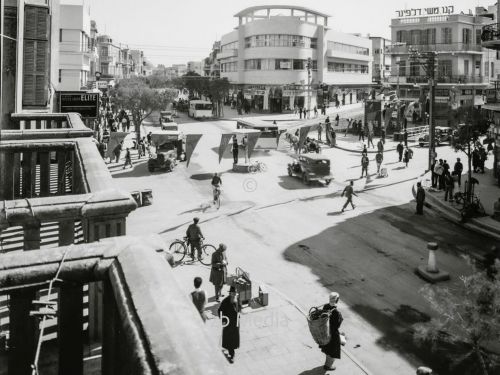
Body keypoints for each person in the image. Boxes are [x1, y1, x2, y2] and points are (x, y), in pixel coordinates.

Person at [318, 292, 343, 371]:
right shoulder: (336, 312)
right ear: (337, 300)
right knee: (332, 351)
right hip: (333, 334)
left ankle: (327, 364)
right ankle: (328, 366)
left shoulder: (325, 306)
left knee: (327, 350)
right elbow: (337, 325)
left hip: (325, 332)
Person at [218, 285, 241, 363]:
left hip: (236, 322)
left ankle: (231, 351)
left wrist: (239, 312)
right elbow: (220, 311)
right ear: (230, 293)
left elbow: (240, 307)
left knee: (234, 338)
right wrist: (223, 320)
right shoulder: (225, 301)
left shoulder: (237, 299)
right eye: (233, 293)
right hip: (228, 322)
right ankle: (231, 354)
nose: (234, 294)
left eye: (235, 293)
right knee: (229, 337)